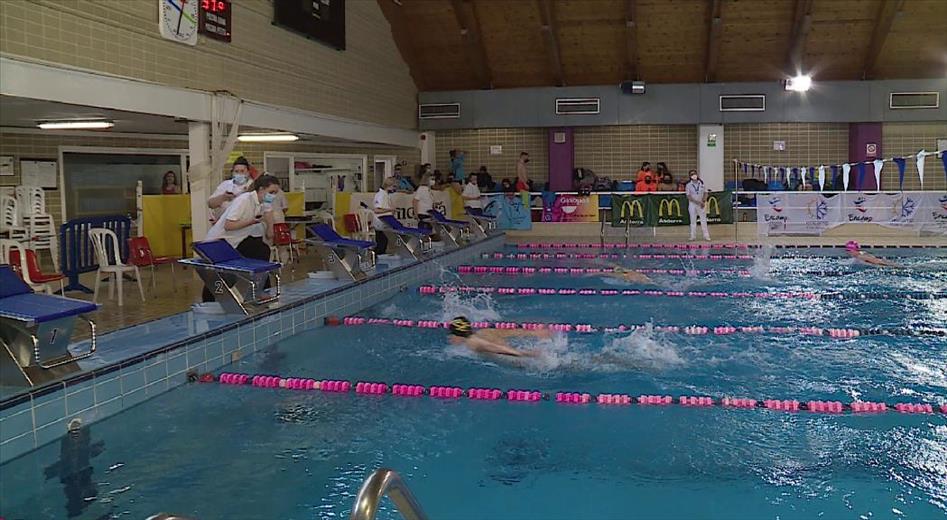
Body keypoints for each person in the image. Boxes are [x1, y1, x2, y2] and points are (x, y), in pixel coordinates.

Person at [202, 174, 281, 302]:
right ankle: (209, 301)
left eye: (275, 193)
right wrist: (252, 221)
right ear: (261, 189)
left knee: (262, 250)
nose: (273, 196)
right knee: (223, 276)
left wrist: (269, 222)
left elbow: (270, 234)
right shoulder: (244, 200)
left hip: (235, 242)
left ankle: (259, 290)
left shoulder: (264, 203)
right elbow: (229, 225)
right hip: (218, 243)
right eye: (271, 192)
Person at [448, 316, 550, 358]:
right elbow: (510, 332)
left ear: (457, 334)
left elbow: (496, 348)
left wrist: (524, 353)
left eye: (451, 333)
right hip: (518, 353)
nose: (450, 337)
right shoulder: (484, 331)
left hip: (517, 359)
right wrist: (534, 333)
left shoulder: (472, 342)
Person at [372, 177, 398, 254]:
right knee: (381, 242)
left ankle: (379, 257)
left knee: (383, 241)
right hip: (380, 222)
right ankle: (377, 258)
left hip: (384, 222)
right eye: (394, 186)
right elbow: (376, 210)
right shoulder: (380, 195)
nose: (394, 189)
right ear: (389, 186)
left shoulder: (385, 194)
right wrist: (390, 210)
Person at [686, 169, 711, 241]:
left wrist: (703, 201)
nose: (693, 175)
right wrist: (697, 202)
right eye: (691, 174)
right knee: (693, 221)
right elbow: (689, 196)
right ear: (690, 176)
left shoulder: (702, 183)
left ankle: (706, 236)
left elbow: (706, 193)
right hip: (692, 204)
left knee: (703, 220)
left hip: (702, 204)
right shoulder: (688, 185)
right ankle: (693, 236)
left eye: (694, 173)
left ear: (697, 174)